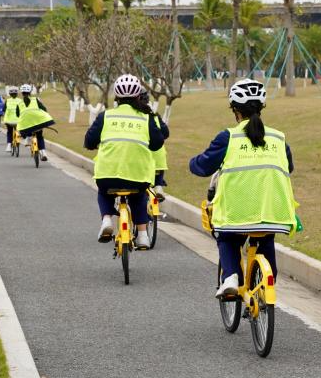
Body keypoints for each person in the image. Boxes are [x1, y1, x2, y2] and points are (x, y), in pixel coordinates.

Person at [189, 79, 297, 298]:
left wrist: (193, 162)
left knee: (227, 237)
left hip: (236, 213)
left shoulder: (228, 137)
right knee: (265, 237)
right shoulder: (278, 138)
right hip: (274, 211)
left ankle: (231, 277)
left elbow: (203, 166)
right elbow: (289, 167)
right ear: (262, 107)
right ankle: (267, 282)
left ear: (235, 110)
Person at [84, 74, 166, 249]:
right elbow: (158, 143)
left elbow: (88, 142)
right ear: (138, 96)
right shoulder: (146, 118)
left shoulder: (106, 116)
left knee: (104, 192)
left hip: (108, 174)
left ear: (116, 97)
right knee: (138, 196)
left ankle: (106, 219)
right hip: (137, 175)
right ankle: (143, 235)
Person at [15, 84, 53, 161]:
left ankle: (28, 138)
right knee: (39, 136)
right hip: (38, 122)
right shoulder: (36, 100)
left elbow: (18, 115)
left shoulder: (19, 104)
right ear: (30, 92)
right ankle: (43, 153)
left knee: (26, 129)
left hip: (26, 125)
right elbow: (44, 109)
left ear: (22, 93)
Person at [3, 85, 20, 152]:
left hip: (9, 121)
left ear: (10, 94)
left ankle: (9, 145)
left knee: (9, 132)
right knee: (18, 129)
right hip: (18, 121)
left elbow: (4, 110)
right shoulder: (20, 101)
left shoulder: (7, 101)